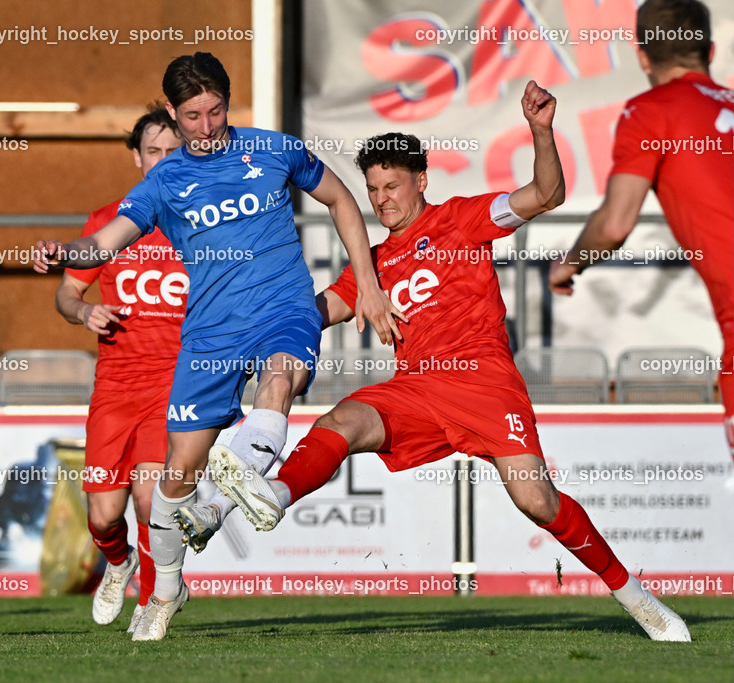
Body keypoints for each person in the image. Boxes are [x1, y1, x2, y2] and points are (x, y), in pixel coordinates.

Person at [209, 84, 692, 642]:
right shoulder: (375, 264)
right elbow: (319, 312)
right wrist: (254, 327)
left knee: (538, 502)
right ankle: (276, 495)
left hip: (484, 381)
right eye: (372, 189)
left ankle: (635, 597)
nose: (382, 199)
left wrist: (540, 129)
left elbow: (546, 194)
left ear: (421, 181)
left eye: (392, 185)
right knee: (342, 421)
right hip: (414, 388)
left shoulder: (464, 219)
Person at [34, 52, 401, 641]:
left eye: (216, 110)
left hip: (283, 308)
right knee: (175, 475)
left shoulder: (275, 149)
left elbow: (341, 201)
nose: (207, 127)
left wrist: (370, 287)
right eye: (193, 116)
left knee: (280, 378)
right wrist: (63, 252)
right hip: (209, 335)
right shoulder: (164, 182)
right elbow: (104, 244)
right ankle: (169, 586)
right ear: (174, 118)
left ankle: (220, 508)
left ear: (229, 103)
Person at [548, 0, 733, 467]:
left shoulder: (652, 111)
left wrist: (570, 262)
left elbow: (615, 223)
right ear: (709, 50)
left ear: (644, 57)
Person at [55, 105, 184, 632]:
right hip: (115, 386)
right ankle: (117, 563)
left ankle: (156, 605)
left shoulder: (204, 224)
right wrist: (84, 311)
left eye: (173, 152)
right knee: (104, 516)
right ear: (137, 158)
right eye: (153, 151)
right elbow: (68, 291)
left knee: (153, 499)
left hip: (174, 383)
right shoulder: (108, 223)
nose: (163, 161)